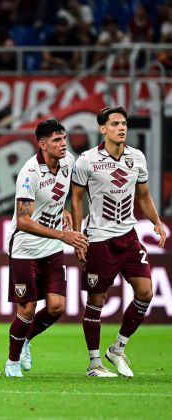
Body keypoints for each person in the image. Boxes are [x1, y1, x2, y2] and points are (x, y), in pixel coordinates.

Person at [71, 106, 166, 378]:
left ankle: (118, 348)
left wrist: (156, 222)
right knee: (96, 300)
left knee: (146, 291)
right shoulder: (87, 160)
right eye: (114, 124)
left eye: (123, 123)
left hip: (129, 237)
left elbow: (144, 197)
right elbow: (77, 199)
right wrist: (78, 236)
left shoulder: (137, 158)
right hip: (100, 239)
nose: (121, 128)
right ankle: (93, 363)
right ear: (103, 128)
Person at [4, 119, 88, 377]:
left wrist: (61, 211)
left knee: (56, 307)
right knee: (27, 309)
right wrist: (64, 235)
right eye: (56, 141)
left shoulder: (69, 162)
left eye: (64, 138)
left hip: (52, 248)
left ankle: (26, 340)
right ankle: (12, 361)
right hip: (25, 249)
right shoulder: (29, 173)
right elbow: (23, 220)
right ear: (42, 145)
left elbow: (60, 195)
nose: (63, 144)